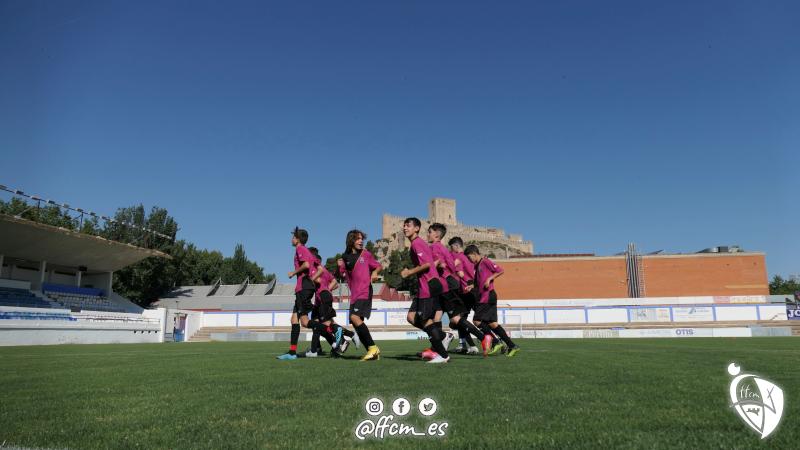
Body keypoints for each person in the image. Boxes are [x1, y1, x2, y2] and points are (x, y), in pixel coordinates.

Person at [428, 223, 488, 355]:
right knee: (438, 317)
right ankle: (440, 347)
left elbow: (457, 271)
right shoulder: (450, 253)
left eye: (430, 232)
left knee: (457, 320)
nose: (428, 234)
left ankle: (484, 339)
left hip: (457, 289)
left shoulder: (445, 251)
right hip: (452, 287)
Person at [277, 227, 331, 360]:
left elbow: (306, 265)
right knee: (294, 320)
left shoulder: (300, 249)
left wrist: (293, 273)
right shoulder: (307, 251)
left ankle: (332, 332)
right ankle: (292, 352)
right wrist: (312, 280)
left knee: (305, 322)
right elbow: (319, 268)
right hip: (305, 286)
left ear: (297, 239)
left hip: (303, 287)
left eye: (293, 237)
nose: (292, 239)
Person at [401, 217, 450, 364]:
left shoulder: (417, 243)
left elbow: (428, 264)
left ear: (416, 228)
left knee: (425, 320)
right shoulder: (415, 244)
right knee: (411, 317)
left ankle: (443, 354)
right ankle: (441, 336)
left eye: (408, 225)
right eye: (404, 225)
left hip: (428, 285)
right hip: (422, 286)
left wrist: (409, 272)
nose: (405, 228)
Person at [464, 244, 520, 357]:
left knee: (477, 321)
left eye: (469, 258)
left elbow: (500, 270)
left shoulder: (485, 261)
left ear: (474, 254)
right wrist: (472, 286)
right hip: (486, 296)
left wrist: (490, 279)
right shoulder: (477, 266)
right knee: (493, 324)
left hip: (487, 296)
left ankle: (495, 342)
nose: (469, 260)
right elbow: (478, 282)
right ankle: (512, 345)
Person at [338, 229, 381, 361]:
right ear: (351, 240)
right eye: (358, 238)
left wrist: (374, 273)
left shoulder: (366, 254)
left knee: (355, 317)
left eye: (362, 238)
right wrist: (340, 267)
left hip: (365, 290)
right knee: (355, 322)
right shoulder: (345, 257)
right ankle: (371, 351)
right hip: (355, 294)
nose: (361, 241)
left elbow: (378, 266)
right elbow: (343, 275)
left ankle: (373, 348)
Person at [448, 236, 494, 355]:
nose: (451, 250)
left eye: (451, 247)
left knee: (459, 320)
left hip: (466, 291)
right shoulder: (470, 258)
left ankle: (478, 344)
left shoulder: (460, 257)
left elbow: (460, 273)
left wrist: (452, 271)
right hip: (474, 289)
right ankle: (465, 344)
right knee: (476, 320)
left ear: (457, 246)